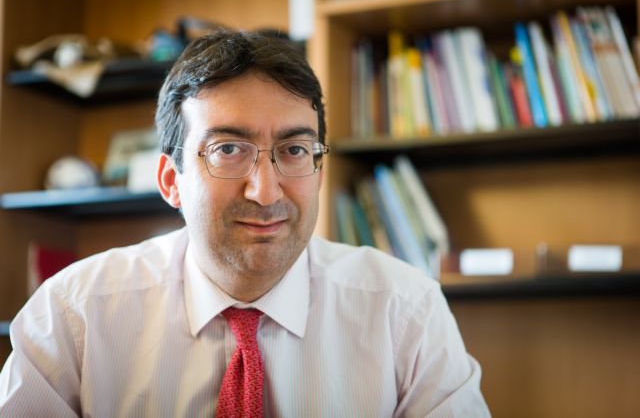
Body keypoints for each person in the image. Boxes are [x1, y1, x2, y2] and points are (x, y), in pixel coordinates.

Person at [0, 29, 491, 417]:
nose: (266, 191)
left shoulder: (405, 312)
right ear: (171, 180)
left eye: (294, 150)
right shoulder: (74, 315)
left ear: (319, 171)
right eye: (229, 149)